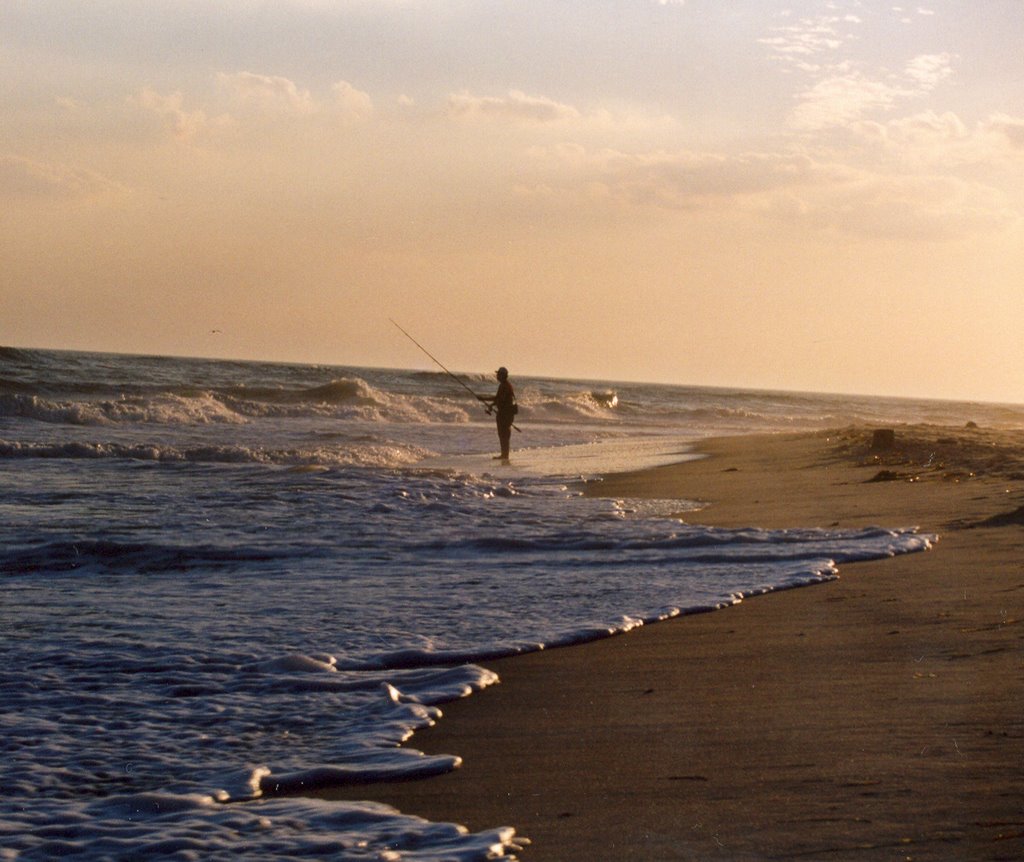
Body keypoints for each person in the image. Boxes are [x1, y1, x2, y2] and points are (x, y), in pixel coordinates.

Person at [480, 366, 516, 463]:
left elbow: (499, 399)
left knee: (504, 434)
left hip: (505, 414)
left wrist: (484, 399)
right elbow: (499, 399)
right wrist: (491, 404)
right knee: (503, 434)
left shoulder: (505, 386)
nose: (497, 376)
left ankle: (505, 455)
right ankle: (504, 454)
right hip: (505, 414)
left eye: (498, 374)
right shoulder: (505, 385)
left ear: (502, 376)